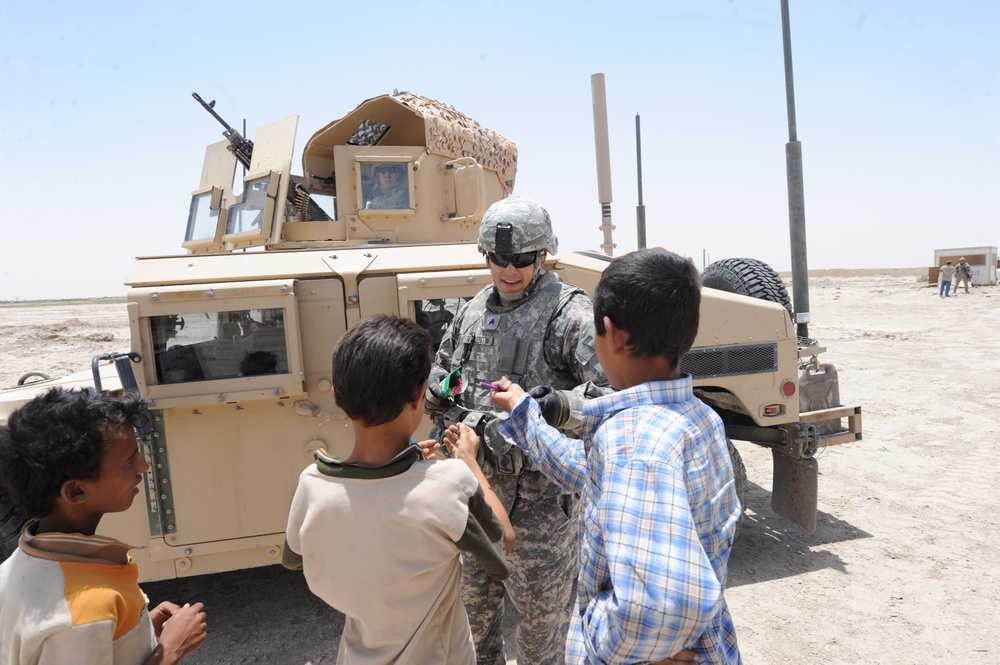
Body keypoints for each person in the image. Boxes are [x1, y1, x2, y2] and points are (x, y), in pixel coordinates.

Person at [490, 248, 742, 664]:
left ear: (613, 334)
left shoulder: (633, 443)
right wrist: (525, 415)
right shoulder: (697, 417)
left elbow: (655, 611)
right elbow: (589, 474)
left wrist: (596, 639)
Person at [424, 196, 607, 665]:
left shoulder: (569, 314)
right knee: (472, 625)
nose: (510, 270)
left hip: (540, 506)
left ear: (542, 255)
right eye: (498, 258)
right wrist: (443, 391)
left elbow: (612, 395)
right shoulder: (470, 313)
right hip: (475, 495)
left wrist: (557, 404)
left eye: (523, 259)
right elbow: (441, 376)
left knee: (541, 637)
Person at [282, 314, 513, 665]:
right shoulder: (446, 485)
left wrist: (410, 465)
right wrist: (468, 462)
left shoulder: (313, 483)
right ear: (420, 393)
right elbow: (502, 545)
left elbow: (293, 557)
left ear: (340, 399)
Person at [0, 387, 208, 665]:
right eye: (129, 460)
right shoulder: (82, 615)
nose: (144, 466)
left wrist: (135, 633)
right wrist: (168, 651)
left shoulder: (17, 564)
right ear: (75, 492)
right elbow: (81, 628)